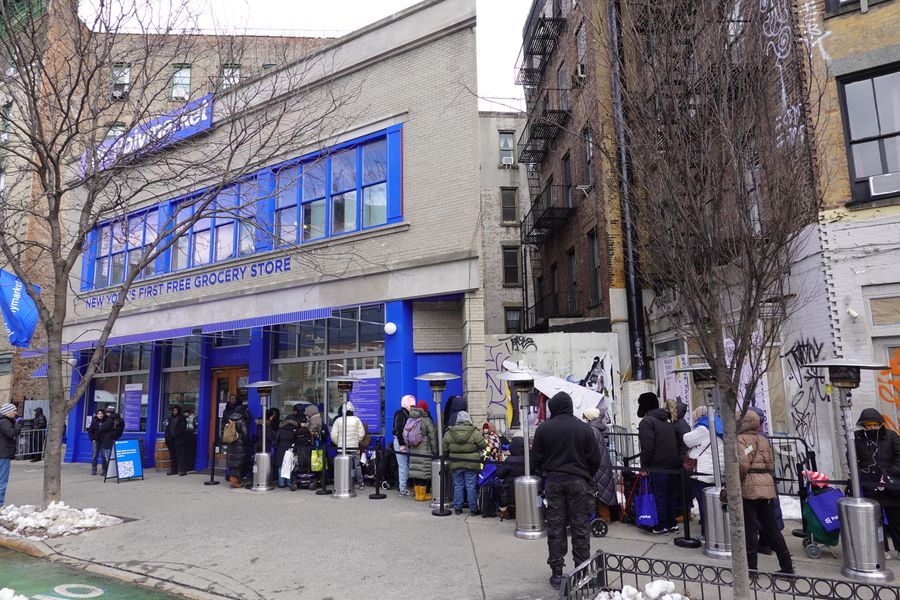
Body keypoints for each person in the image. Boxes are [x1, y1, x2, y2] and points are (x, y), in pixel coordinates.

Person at [531, 392, 602, 590]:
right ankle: (582, 572)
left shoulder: (544, 429)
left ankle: (556, 573)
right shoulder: (583, 429)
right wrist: (585, 475)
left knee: (556, 528)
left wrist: (545, 471)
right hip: (578, 482)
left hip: (553, 481)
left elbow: (535, 458)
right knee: (580, 528)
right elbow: (595, 459)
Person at [739, 410, 793, 575]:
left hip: (750, 486)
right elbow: (770, 464)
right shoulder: (764, 440)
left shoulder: (740, 440)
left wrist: (738, 481)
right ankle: (787, 566)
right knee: (771, 527)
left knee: (749, 528)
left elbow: (742, 464)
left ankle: (751, 568)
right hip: (767, 484)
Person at [855, 408, 900, 558]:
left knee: (896, 519)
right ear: (864, 425)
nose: (872, 428)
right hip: (871, 484)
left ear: (880, 423)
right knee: (875, 520)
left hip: (891, 485)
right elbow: (852, 459)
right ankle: (883, 548)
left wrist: (889, 474)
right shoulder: (858, 438)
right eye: (868, 425)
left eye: (875, 425)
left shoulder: (891, 436)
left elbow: (899, 457)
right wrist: (862, 474)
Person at [637, 392, 680, 534]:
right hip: (673, 464)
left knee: (659, 495)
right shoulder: (667, 421)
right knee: (671, 495)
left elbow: (647, 446)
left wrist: (644, 466)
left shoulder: (647, 422)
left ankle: (661, 525)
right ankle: (671, 522)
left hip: (658, 465)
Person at [683, 406, 724, 538]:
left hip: (704, 472)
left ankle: (707, 533)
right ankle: (718, 530)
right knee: (716, 503)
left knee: (704, 504)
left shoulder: (704, 428)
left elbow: (687, 439)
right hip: (717, 470)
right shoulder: (720, 425)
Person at [443, 410, 487, 515]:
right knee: (471, 485)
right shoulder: (474, 432)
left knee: (458, 485)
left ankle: (458, 508)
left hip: (456, 462)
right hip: (471, 462)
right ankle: (473, 509)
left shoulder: (450, 432)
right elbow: (483, 445)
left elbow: (444, 448)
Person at [583, 407, 617, 520]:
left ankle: (604, 519)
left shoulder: (591, 430)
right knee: (603, 493)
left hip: (597, 466)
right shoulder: (597, 428)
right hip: (602, 465)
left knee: (599, 493)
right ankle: (605, 518)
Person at [407, 399, 437, 502]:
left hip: (413, 449)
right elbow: (432, 437)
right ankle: (422, 495)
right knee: (423, 472)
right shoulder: (426, 420)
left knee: (416, 471)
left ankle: (417, 495)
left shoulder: (411, 418)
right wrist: (435, 450)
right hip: (424, 449)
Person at [330, 401, 366, 489]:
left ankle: (342, 483)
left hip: (342, 448)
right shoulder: (357, 419)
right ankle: (361, 483)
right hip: (354, 447)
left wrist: (339, 443)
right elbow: (362, 433)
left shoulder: (338, 420)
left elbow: (333, 435)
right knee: (356, 465)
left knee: (341, 465)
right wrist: (356, 441)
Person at [496, 436, 526, 518]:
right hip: (526, 489)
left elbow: (499, 474)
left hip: (510, 489)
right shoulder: (529, 459)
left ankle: (505, 510)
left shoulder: (510, 460)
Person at [392, 394, 415, 496]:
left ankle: (403, 487)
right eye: (411, 404)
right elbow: (399, 430)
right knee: (403, 466)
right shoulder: (401, 414)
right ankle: (402, 488)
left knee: (404, 465)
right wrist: (402, 444)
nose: (412, 406)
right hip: (401, 442)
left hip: (403, 442)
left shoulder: (405, 413)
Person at [0, 403, 23, 505]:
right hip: (3, 454)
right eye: (14, 411)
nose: (15, 413)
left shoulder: (4, 421)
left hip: (3, 453)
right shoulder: (4, 421)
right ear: (8, 412)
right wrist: (18, 424)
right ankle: (0, 504)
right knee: (2, 480)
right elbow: (11, 433)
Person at [225, 404, 250, 488]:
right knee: (238, 464)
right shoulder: (241, 420)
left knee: (234, 463)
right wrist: (247, 442)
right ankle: (234, 482)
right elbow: (245, 433)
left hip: (231, 444)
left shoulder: (230, 420)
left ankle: (233, 479)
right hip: (240, 445)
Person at [274, 415, 299, 489]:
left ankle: (281, 483)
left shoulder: (280, 429)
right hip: (290, 448)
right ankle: (289, 482)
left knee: (281, 465)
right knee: (289, 465)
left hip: (280, 448)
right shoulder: (295, 429)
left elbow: (276, 439)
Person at [164, 404, 188, 476]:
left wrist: (174, 435)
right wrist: (168, 436)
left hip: (179, 440)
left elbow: (182, 429)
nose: (174, 412)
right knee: (173, 455)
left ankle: (182, 470)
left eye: (176, 410)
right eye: (173, 410)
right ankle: (174, 469)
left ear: (179, 411)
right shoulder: (170, 418)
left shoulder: (182, 418)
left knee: (180, 455)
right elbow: (167, 428)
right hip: (170, 440)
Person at [98, 405, 120, 475]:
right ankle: (114, 472)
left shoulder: (110, 420)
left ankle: (110, 473)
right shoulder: (118, 419)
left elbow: (101, 428)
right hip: (114, 439)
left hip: (107, 441)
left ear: (108, 412)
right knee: (113, 457)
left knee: (108, 457)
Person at [87, 409, 105, 476]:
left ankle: (104, 470)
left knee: (104, 456)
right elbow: (90, 431)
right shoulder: (94, 422)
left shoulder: (105, 421)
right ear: (97, 415)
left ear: (103, 414)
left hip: (103, 441)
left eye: (101, 413)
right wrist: (92, 439)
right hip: (96, 441)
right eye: (99, 413)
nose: (100, 415)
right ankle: (94, 469)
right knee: (94, 456)